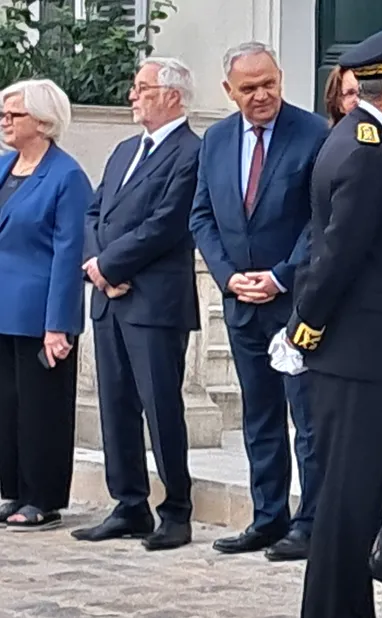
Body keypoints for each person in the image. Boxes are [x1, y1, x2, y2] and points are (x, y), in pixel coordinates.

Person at [286, 18, 382, 618]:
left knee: (359, 495)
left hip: (367, 348)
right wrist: (307, 324)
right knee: (351, 498)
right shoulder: (366, 150)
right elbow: (339, 253)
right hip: (356, 351)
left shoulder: (363, 139)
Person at [190, 42, 328, 561]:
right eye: (248, 88)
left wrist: (280, 275)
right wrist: (228, 278)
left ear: (281, 78)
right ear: (230, 92)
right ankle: (268, 516)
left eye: (268, 83)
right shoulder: (217, 139)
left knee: (307, 420)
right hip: (242, 303)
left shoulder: (314, 133)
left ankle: (310, 522)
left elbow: (321, 219)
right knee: (259, 417)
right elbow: (201, 214)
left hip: (295, 301)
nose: (261, 94)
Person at [71, 58, 200, 552]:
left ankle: (176, 510)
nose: (132, 96)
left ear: (172, 96)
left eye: (142, 88)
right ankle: (129, 504)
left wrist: (112, 266)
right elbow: (94, 210)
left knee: (161, 408)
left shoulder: (191, 152)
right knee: (116, 405)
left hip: (153, 301)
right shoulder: (125, 150)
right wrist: (94, 265)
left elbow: (168, 223)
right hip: (110, 299)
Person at [0, 79, 91, 531]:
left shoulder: (66, 176)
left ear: (42, 120)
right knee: (8, 405)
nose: (5, 121)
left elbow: (69, 252)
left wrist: (59, 325)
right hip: (2, 308)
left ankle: (44, 496)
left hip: (40, 312)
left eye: (14, 114)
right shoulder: (4, 167)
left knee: (42, 408)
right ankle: (14, 488)